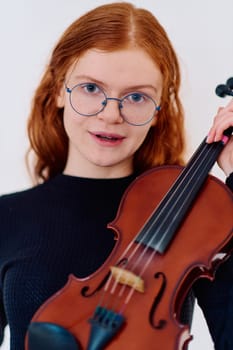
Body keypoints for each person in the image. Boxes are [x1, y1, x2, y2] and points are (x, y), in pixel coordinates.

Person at [0, 2, 232, 350]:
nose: (111, 115)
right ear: (60, 89)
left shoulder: (197, 217)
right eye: (91, 88)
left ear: (157, 111)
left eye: (136, 96)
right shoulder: (6, 217)